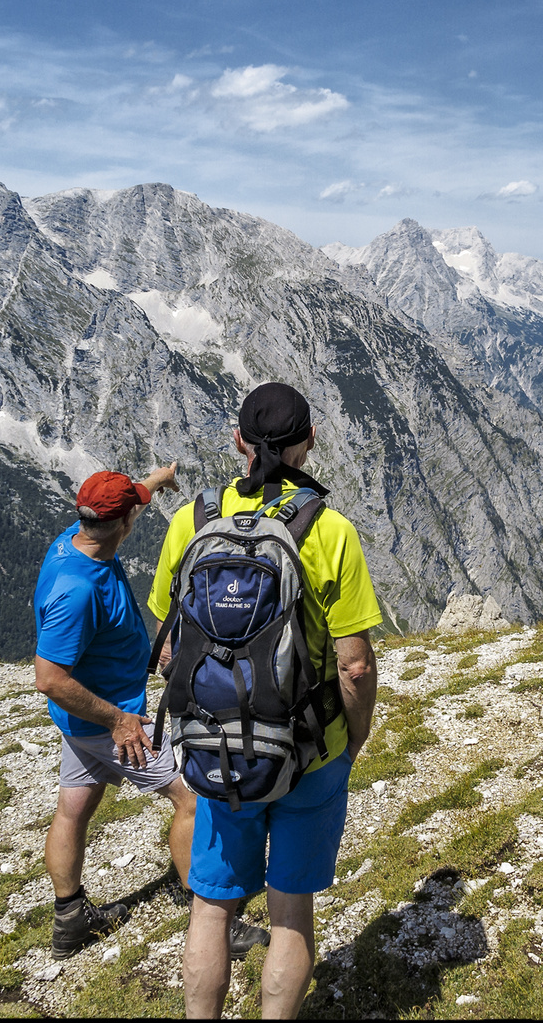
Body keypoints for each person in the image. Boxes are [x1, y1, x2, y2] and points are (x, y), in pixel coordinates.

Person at [148, 382, 382, 1019]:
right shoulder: (327, 529)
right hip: (308, 751)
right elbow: (354, 664)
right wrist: (352, 738)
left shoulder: (191, 521)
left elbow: (169, 648)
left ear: (238, 441)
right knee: (290, 911)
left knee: (211, 907)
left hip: (217, 747)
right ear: (308, 442)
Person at [32, 466, 266, 961]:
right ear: (122, 524)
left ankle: (69, 917)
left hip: (81, 727)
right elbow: (50, 678)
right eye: (134, 509)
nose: (138, 512)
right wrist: (118, 721)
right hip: (116, 724)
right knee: (193, 798)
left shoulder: (76, 537)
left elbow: (123, 498)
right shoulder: (78, 590)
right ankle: (213, 918)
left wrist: (158, 479)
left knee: (73, 808)